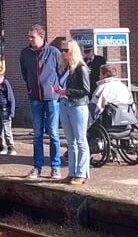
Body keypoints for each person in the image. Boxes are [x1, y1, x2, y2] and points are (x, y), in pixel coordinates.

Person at [18, 25, 63, 179]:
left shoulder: (54, 52)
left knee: (53, 134)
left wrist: (56, 88)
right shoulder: (25, 53)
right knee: (37, 134)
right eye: (29, 37)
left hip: (52, 98)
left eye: (32, 37)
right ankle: (37, 167)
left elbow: (62, 71)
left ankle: (55, 167)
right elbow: (24, 73)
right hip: (35, 98)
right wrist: (31, 88)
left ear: (42, 37)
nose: (29, 39)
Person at [59, 39, 92, 185]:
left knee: (80, 140)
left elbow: (86, 90)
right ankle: (72, 172)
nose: (63, 53)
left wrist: (67, 91)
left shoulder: (81, 68)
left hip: (77, 105)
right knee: (70, 142)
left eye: (66, 50)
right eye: (62, 50)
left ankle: (81, 173)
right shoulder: (65, 68)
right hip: (65, 103)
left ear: (73, 51)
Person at [0, 65, 17, 155]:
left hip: (5, 109)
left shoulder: (6, 84)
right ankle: (2, 146)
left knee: (7, 129)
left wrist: (12, 112)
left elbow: (11, 98)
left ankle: (11, 147)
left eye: (1, 77)